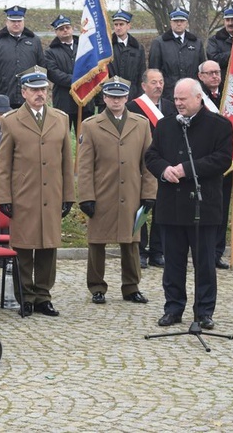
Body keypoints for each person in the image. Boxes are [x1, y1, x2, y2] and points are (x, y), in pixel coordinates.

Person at [145, 78, 233, 330]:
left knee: (204, 262)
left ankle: (204, 311)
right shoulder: (164, 125)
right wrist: (164, 170)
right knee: (173, 262)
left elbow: (222, 159)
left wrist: (185, 169)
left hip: (203, 208)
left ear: (199, 98)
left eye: (183, 99)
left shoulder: (220, 126)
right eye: (176, 99)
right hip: (171, 206)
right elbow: (151, 156)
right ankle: (173, 308)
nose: (178, 103)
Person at [0, 66, 76, 317]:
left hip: (51, 194)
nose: (40, 94)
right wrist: (4, 197)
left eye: (43, 89)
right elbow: (3, 164)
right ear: (24, 92)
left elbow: (66, 161)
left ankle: (43, 295)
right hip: (24, 195)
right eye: (34, 90)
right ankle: (26, 296)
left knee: (47, 248)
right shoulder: (11, 121)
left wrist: (68, 196)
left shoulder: (61, 119)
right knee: (24, 248)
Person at [78, 77, 156, 305]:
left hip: (131, 192)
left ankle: (131, 286)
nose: (116, 100)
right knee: (97, 242)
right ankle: (97, 286)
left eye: (120, 96)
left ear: (126, 98)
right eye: (111, 96)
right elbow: (84, 166)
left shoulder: (141, 124)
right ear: (104, 98)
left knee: (131, 242)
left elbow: (148, 163)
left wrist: (149, 194)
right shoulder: (91, 125)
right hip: (102, 192)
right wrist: (86, 196)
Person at [127, 69, 168, 267]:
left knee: (161, 208)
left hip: (163, 165)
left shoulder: (170, 107)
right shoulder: (133, 107)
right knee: (142, 206)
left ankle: (157, 251)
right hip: (139, 165)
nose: (158, 86)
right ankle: (140, 249)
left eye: (160, 82)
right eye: (154, 82)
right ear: (144, 86)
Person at [197, 60, 232, 269]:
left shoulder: (228, 96)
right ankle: (201, 252)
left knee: (222, 209)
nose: (215, 76)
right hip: (202, 162)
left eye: (217, 72)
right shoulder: (196, 98)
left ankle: (217, 252)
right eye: (210, 73)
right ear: (200, 76)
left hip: (225, 160)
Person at [0, 6, 45, 109]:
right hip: (3, 98)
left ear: (23, 21)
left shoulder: (34, 41)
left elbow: (42, 68)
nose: (16, 24)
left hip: (29, 98)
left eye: (19, 21)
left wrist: (39, 92)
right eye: (13, 21)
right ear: (7, 22)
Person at [44, 14, 91, 130]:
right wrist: (77, 80)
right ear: (56, 32)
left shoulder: (84, 46)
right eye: (61, 29)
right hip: (64, 100)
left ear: (72, 28)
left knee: (85, 138)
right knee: (62, 137)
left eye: (67, 27)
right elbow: (54, 74)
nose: (65, 30)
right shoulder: (50, 52)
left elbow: (92, 67)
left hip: (84, 98)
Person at [149, 8, 206, 102]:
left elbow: (202, 70)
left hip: (192, 93)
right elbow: (154, 71)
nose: (179, 24)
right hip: (168, 94)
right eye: (176, 21)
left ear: (187, 23)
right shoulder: (159, 43)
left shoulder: (196, 43)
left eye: (182, 21)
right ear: (171, 23)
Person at [109, 10, 146, 99]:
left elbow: (141, 74)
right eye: (116, 24)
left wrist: (139, 96)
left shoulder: (137, 47)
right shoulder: (107, 46)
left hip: (131, 95)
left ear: (128, 26)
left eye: (121, 24)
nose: (118, 27)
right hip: (110, 93)